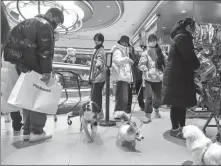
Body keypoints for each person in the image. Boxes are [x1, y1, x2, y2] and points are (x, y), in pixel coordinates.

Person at [3, 8, 64, 142]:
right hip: (37, 66)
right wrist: (47, 71)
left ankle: (26, 131)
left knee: (28, 97)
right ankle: (36, 131)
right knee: (40, 96)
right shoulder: (45, 25)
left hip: (22, 67)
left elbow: (9, 45)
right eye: (57, 21)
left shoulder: (24, 23)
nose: (55, 24)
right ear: (50, 14)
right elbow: (45, 51)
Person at [162, 18, 200, 139]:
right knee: (178, 102)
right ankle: (175, 128)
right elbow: (189, 56)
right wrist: (198, 65)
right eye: (193, 28)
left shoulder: (179, 36)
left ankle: (181, 127)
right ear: (188, 26)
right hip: (179, 76)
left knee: (179, 102)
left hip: (177, 75)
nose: (194, 31)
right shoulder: (183, 37)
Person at [138, 34, 165, 123]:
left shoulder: (160, 52)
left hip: (158, 78)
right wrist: (145, 70)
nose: (153, 42)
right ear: (148, 42)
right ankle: (148, 115)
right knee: (148, 96)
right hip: (148, 78)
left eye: (154, 40)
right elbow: (141, 64)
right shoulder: (145, 53)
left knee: (158, 97)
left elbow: (166, 62)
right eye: (151, 41)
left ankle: (156, 109)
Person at [111, 35, 134, 119]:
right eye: (125, 43)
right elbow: (116, 60)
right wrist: (127, 59)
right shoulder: (118, 50)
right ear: (122, 42)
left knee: (124, 97)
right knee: (122, 97)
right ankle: (118, 114)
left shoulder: (123, 50)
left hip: (124, 77)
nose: (126, 44)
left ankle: (120, 114)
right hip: (121, 77)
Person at [89, 33, 106, 119]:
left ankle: (98, 113)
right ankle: (97, 112)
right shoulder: (97, 49)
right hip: (97, 77)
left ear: (101, 41)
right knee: (96, 96)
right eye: (95, 39)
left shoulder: (100, 50)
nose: (96, 41)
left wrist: (97, 66)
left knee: (95, 96)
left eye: (98, 40)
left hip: (98, 77)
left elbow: (100, 60)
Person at [128, 46, 145, 111]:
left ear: (132, 48)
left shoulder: (136, 55)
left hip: (138, 76)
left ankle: (142, 106)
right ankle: (128, 108)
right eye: (128, 47)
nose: (129, 49)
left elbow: (140, 63)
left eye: (130, 47)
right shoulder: (126, 56)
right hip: (130, 77)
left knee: (139, 93)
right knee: (129, 93)